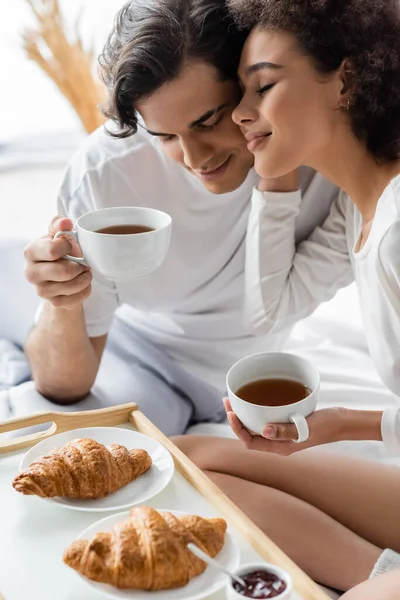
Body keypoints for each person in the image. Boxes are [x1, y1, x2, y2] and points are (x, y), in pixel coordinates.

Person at [22, 0, 337, 435]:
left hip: (256, 373)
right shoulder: (106, 176)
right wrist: (62, 302)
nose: (194, 159)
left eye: (207, 122)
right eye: (164, 136)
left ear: (255, 83)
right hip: (138, 356)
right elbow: (62, 386)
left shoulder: (331, 157)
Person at [173, 0, 400, 596]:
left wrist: (348, 424)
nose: (241, 114)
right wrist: (275, 168)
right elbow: (268, 310)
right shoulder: (361, 205)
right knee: (187, 456)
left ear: (346, 81)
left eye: (264, 88)